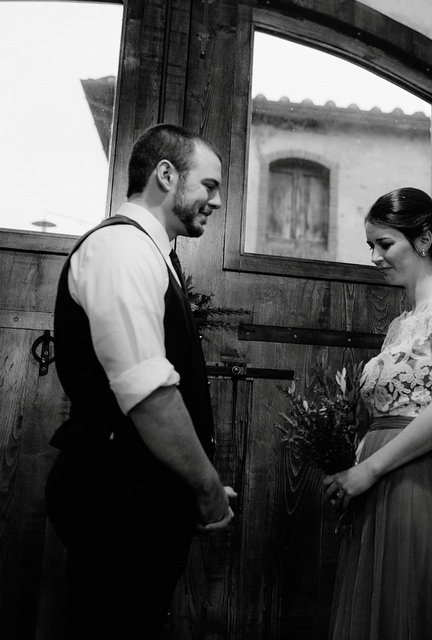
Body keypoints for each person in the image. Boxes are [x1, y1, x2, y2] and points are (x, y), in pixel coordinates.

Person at [45, 123, 236, 638]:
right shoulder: (122, 251)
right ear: (166, 175)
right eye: (210, 185)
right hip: (116, 500)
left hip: (137, 497)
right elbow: (149, 396)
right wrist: (205, 489)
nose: (217, 201)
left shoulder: (154, 254)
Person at [321, 187, 432, 640]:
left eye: (385, 243)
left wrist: (371, 468)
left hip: (418, 478)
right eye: (371, 245)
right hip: (379, 477)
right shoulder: (401, 323)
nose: (375, 256)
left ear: (424, 240)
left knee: (412, 606)